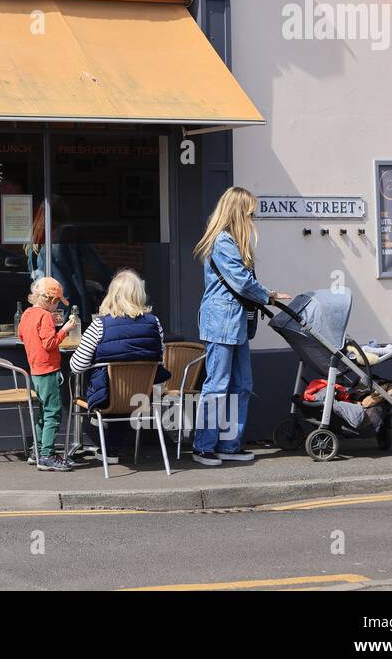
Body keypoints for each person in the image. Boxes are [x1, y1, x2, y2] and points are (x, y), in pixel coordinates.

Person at [191, 186, 287, 467]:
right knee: (217, 385)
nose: (252, 219)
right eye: (250, 213)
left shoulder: (232, 242)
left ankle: (229, 445)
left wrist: (263, 295)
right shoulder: (222, 242)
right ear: (237, 213)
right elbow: (241, 282)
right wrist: (267, 295)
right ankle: (204, 446)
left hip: (236, 323)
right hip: (221, 321)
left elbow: (243, 281)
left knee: (242, 385)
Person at [69, 269, 170, 464]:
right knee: (124, 387)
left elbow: (77, 366)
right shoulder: (154, 323)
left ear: (112, 295)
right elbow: (160, 354)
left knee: (108, 385)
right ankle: (111, 448)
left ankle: (104, 436)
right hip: (141, 395)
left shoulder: (100, 325)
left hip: (107, 396)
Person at [18, 276, 76, 472]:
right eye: (58, 301)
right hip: (48, 370)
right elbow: (50, 343)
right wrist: (66, 329)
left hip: (35, 369)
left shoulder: (27, 314)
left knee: (43, 411)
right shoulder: (45, 317)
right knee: (52, 412)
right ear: (51, 301)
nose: (58, 304)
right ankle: (47, 455)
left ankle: (38, 450)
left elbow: (21, 335)